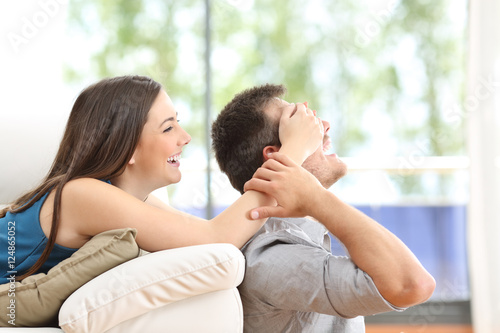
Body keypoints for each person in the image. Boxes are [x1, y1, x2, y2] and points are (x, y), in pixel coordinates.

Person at [0, 75, 324, 284]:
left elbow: (209, 233)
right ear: (126, 148)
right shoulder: (81, 195)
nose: (185, 137)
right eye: (168, 128)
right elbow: (218, 237)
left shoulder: (126, 198)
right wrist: (295, 149)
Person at [211, 84, 436, 332]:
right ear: (277, 156)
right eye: (303, 127)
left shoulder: (297, 235)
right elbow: (412, 284)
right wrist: (317, 199)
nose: (325, 126)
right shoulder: (270, 257)